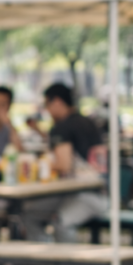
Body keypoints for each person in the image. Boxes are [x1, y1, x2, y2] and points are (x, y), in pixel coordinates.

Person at [23, 82, 107, 241]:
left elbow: (64, 165)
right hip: (100, 192)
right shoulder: (88, 122)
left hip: (83, 196)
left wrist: (37, 164)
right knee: (30, 213)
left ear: (57, 102)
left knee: (58, 221)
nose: (46, 110)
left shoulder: (63, 127)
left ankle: (65, 264)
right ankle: (53, 261)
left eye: (47, 104)